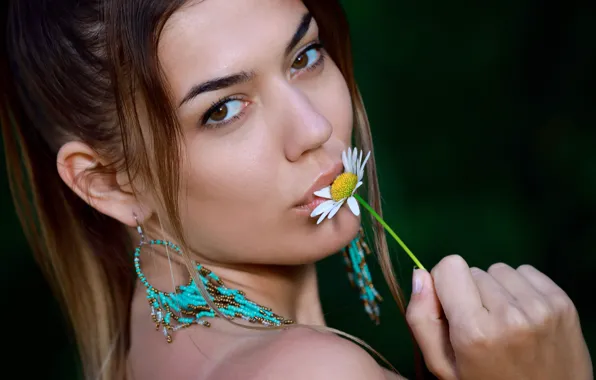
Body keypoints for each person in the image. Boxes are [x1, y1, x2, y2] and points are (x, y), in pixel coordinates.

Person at [1, 1, 592, 379]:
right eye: (225, 109)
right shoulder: (314, 372)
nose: (315, 130)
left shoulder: (152, 356)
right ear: (108, 182)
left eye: (305, 56)